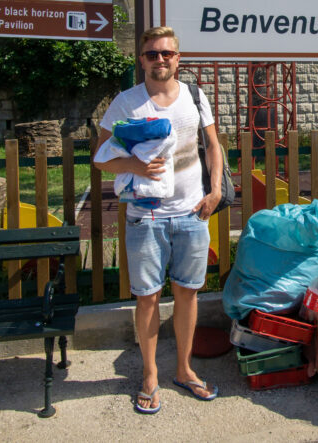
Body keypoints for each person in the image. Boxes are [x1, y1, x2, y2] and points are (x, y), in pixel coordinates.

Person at [94, 25, 222, 415]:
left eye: (167, 53)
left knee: (187, 294)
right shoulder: (126, 103)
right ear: (142, 59)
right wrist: (133, 163)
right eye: (152, 54)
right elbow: (100, 156)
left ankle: (184, 369)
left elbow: (214, 146)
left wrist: (214, 191)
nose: (160, 60)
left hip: (191, 214)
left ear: (178, 58)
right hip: (145, 218)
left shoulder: (195, 97)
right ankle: (150, 375)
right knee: (147, 299)